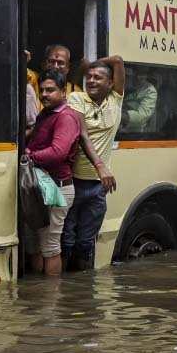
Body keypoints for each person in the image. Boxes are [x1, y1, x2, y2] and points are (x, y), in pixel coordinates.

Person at [62, 56, 124, 271]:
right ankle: (58, 295)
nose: (92, 80)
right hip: (72, 183)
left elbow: (118, 60)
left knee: (86, 244)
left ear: (111, 84)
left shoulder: (116, 100)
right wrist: (100, 165)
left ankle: (82, 295)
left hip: (97, 188)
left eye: (98, 77)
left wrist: (93, 62)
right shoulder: (76, 98)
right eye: (89, 76)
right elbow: (82, 135)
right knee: (66, 242)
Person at [23, 70, 82, 276]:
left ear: (63, 91)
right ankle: (39, 298)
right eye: (42, 90)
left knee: (49, 247)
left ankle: (51, 299)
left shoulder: (66, 117)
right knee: (33, 246)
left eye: (51, 90)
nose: (45, 94)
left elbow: (58, 152)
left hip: (56, 188)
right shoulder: (45, 114)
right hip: (39, 187)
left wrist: (29, 155)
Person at [25, 44, 79, 113]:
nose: (55, 66)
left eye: (60, 63)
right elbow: (25, 74)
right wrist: (23, 62)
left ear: (68, 67)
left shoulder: (74, 90)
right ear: (43, 64)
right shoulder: (35, 79)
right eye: (51, 61)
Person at [121, 67, 157, 132]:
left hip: (133, 133)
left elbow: (141, 117)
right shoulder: (126, 84)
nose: (139, 77)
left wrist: (119, 116)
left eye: (142, 74)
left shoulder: (150, 90)